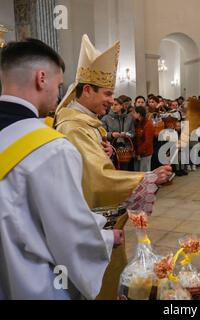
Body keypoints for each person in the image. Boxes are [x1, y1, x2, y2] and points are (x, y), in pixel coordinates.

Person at [0, 39, 121, 299]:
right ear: (41, 78)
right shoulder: (51, 148)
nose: (60, 94)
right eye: (59, 85)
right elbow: (70, 234)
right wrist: (108, 238)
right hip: (33, 284)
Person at [54, 35, 172, 299]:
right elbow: (96, 179)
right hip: (90, 228)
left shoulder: (87, 124)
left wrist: (108, 153)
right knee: (99, 286)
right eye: (107, 93)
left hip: (103, 228)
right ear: (87, 90)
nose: (112, 100)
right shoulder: (74, 128)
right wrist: (148, 177)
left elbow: (95, 163)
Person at [101, 97, 135, 170]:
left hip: (125, 150)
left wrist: (126, 134)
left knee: (124, 171)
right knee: (113, 170)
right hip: (112, 148)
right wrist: (112, 134)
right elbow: (102, 134)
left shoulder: (129, 118)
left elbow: (132, 133)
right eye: (112, 105)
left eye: (116, 104)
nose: (113, 106)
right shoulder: (105, 118)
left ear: (121, 106)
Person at [131, 106, 154, 172]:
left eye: (134, 112)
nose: (133, 114)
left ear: (139, 114)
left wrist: (139, 151)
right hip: (137, 153)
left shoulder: (148, 124)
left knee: (145, 173)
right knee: (137, 173)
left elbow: (148, 142)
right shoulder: (137, 123)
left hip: (145, 153)